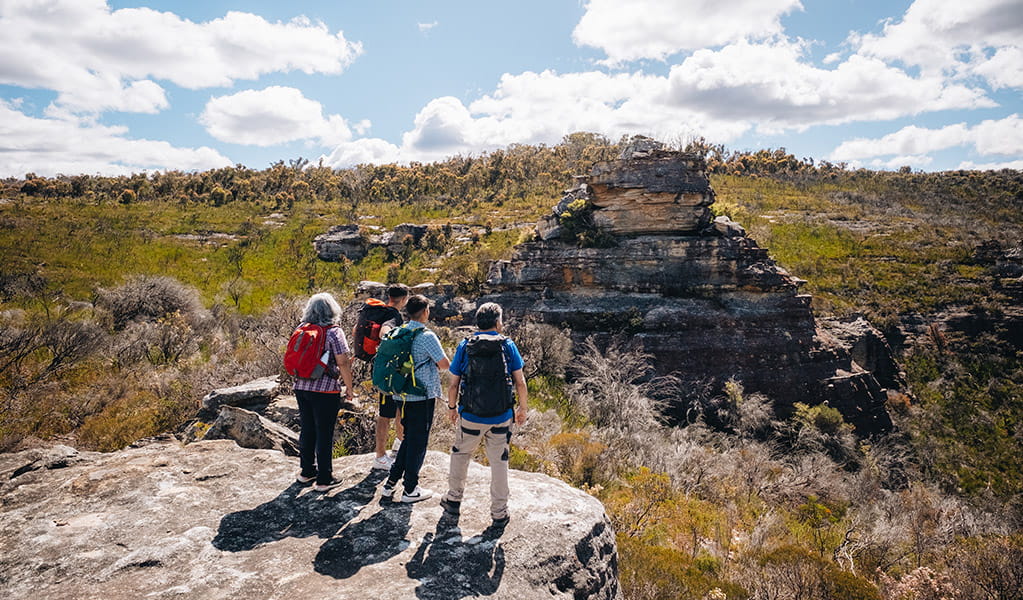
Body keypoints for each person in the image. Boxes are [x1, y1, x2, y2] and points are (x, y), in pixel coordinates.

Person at [440, 302, 528, 525]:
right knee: (499, 462)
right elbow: (520, 382)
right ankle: (499, 512)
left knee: (461, 455)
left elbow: (453, 384)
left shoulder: (465, 345)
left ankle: (453, 501)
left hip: (470, 414)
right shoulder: (508, 345)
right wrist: (522, 409)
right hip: (501, 415)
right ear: (498, 323)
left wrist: (452, 408)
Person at [381, 294, 450, 503]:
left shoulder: (398, 332)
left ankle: (390, 483)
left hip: (401, 394)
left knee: (409, 438)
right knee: (418, 443)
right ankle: (410, 488)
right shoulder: (426, 336)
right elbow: (445, 364)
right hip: (422, 395)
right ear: (426, 311)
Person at [293, 292, 355, 492]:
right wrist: (349, 389)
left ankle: (306, 471)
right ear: (332, 310)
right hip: (326, 389)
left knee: (307, 428)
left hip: (301, 386)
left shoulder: (301, 328)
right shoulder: (333, 332)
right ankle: (324, 478)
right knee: (324, 432)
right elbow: (343, 362)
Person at [352, 284, 409, 470]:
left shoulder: (379, 311)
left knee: (399, 408)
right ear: (405, 299)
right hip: (388, 372)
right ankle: (380, 455)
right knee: (386, 414)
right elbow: (385, 332)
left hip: (383, 370)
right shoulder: (393, 316)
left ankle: (398, 446)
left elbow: (355, 330)